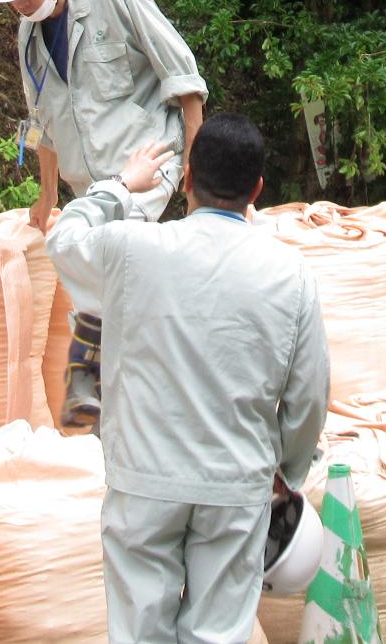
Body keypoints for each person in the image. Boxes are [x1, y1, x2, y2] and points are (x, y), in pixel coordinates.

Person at [47, 114, 331, 644]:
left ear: (187, 180)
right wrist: (285, 473)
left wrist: (117, 187)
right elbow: (308, 396)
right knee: (219, 634)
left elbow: (64, 239)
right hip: (236, 483)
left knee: (138, 632)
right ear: (257, 191)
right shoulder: (291, 275)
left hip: (144, 480)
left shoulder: (131, 251)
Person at [0, 0, 208, 427]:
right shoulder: (29, 39)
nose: (23, 9)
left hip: (148, 162)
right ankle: (119, 396)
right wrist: (46, 198)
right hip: (93, 186)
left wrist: (196, 173)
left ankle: (138, 402)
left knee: (116, 269)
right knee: (99, 276)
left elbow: (184, 80)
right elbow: (41, 124)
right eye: (14, 4)